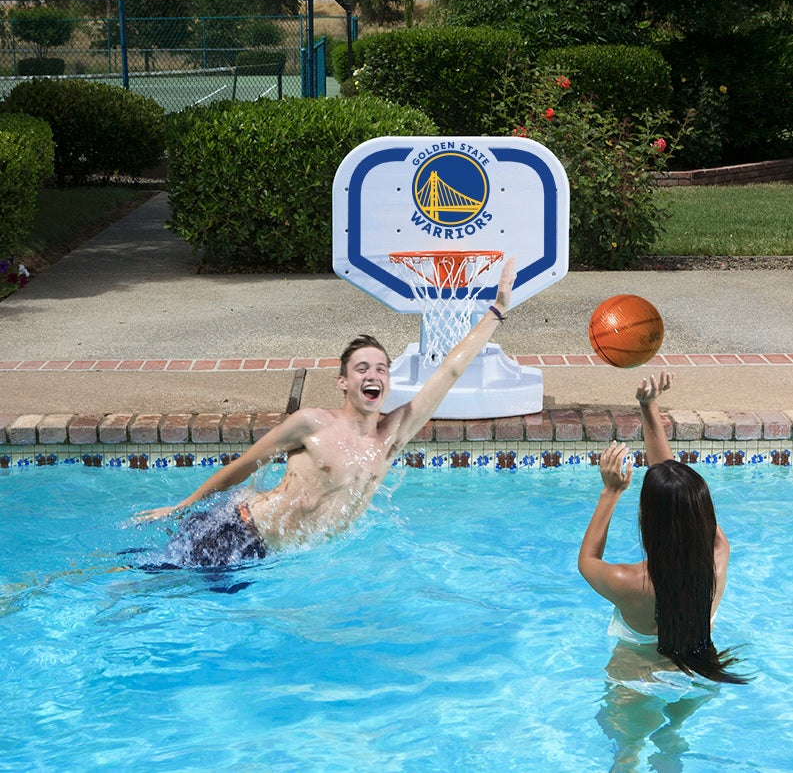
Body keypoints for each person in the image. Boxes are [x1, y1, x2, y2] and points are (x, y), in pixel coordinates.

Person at [133, 257, 516, 567]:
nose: (373, 375)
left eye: (381, 368)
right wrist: (181, 507)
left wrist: (496, 311)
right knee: (141, 581)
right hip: (238, 530)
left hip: (267, 557)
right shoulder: (311, 423)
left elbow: (449, 370)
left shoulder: (390, 437)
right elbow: (245, 465)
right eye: (362, 369)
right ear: (343, 383)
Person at [578, 372, 748, 685]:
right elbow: (675, 490)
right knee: (675, 736)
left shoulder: (630, 583)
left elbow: (587, 562)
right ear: (704, 516)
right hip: (698, 668)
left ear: (648, 523)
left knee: (625, 735)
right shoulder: (718, 556)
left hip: (635, 675)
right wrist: (649, 407)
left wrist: (611, 492)